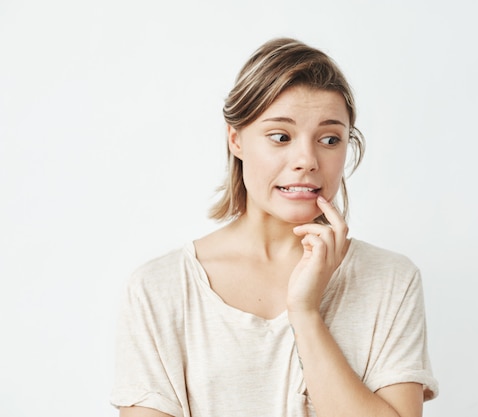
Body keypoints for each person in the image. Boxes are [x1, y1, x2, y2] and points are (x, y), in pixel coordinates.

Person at [111, 38, 438, 417]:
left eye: (330, 139)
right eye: (281, 136)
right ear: (236, 140)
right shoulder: (161, 287)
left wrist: (305, 314)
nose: (307, 159)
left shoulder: (391, 280)